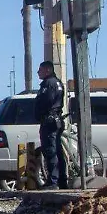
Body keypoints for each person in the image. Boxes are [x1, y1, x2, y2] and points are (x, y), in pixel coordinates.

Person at [34, 60, 67, 189]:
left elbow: (46, 102)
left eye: (40, 70)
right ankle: (62, 180)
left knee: (50, 152)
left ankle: (53, 181)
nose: (38, 72)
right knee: (57, 151)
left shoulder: (49, 84)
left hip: (49, 121)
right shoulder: (58, 83)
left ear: (48, 70)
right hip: (55, 120)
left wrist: (39, 114)